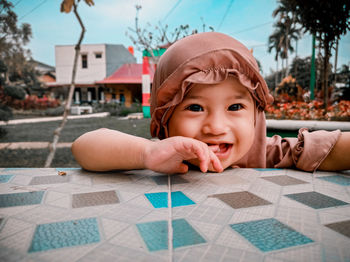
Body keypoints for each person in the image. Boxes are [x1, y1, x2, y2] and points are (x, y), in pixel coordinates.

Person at [71, 32, 350, 174]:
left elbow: (332, 147)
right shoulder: (166, 156)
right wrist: (145, 154)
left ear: (256, 114)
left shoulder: (268, 154)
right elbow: (84, 146)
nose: (216, 127)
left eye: (235, 107)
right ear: (165, 117)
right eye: (195, 107)